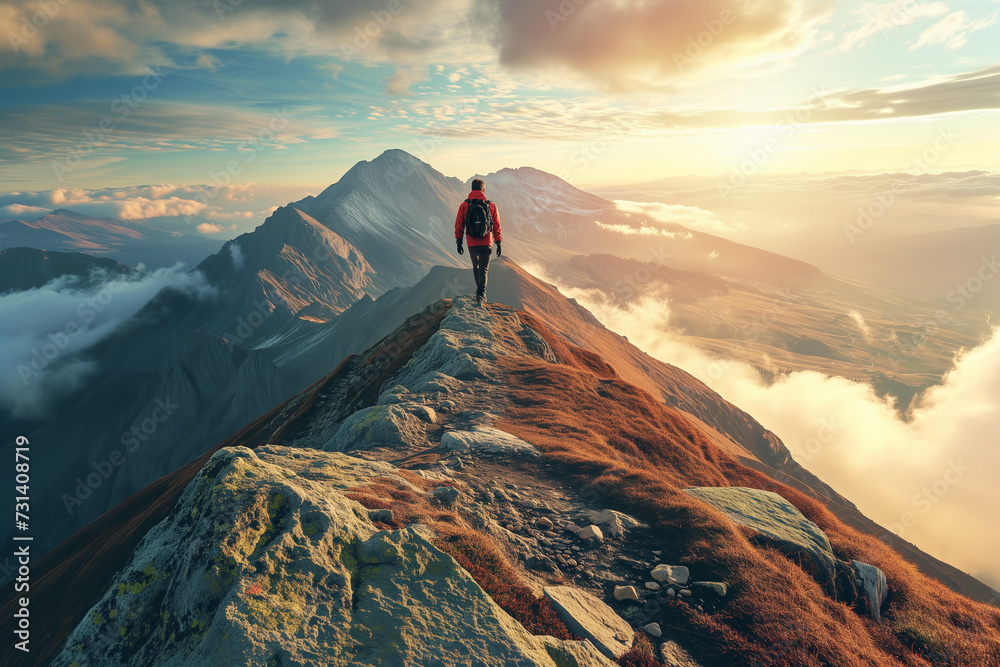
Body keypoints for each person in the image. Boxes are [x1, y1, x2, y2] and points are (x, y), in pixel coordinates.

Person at [455, 178, 502, 304]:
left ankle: (479, 295)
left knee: (476, 267)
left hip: (471, 243)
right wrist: (498, 242)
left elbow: (459, 225)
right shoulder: (491, 205)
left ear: (471, 189)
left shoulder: (464, 205)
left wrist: (459, 241)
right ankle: (481, 295)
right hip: (487, 242)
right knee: (484, 269)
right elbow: (496, 225)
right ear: (483, 190)